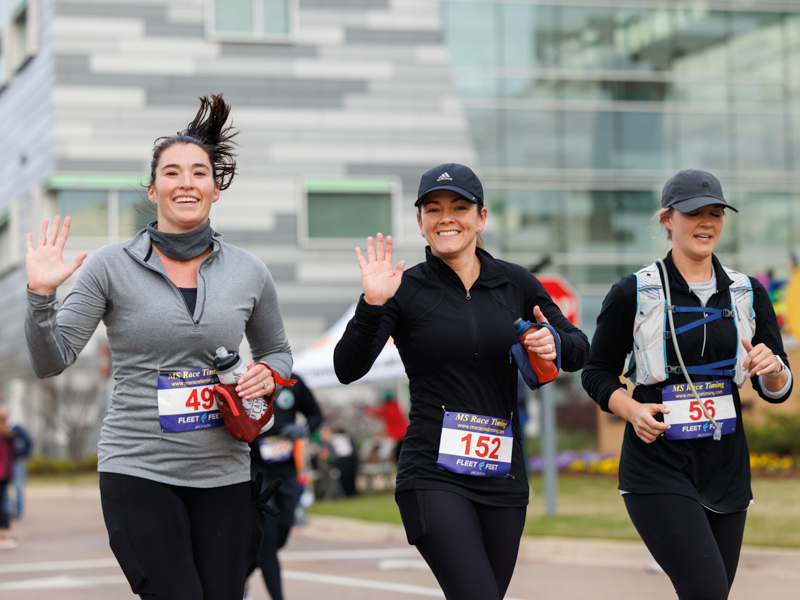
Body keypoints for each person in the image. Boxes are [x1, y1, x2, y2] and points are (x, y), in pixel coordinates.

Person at [24, 94, 294, 600]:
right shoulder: (109, 266)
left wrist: (271, 375)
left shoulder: (250, 271)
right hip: (138, 466)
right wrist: (41, 296)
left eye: (198, 172)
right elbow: (50, 359)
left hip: (225, 472)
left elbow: (278, 352)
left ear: (216, 188)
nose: (185, 182)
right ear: (153, 190)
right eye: (172, 173)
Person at [334, 163, 589, 600]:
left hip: (503, 476)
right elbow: (348, 367)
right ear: (420, 223)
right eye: (433, 209)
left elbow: (579, 346)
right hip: (434, 473)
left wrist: (555, 343)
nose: (446, 217)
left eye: (459, 207)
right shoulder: (404, 289)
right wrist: (373, 304)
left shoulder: (516, 283)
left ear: (481, 217)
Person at [582, 169, 792, 600]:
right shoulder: (633, 292)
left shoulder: (747, 292)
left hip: (726, 466)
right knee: (707, 590)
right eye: (694, 212)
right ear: (667, 219)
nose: (706, 222)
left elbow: (779, 387)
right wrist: (632, 410)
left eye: (715, 213)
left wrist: (772, 368)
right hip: (658, 465)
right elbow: (595, 372)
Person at [247, 372, 322, 600]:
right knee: (268, 539)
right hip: (258, 472)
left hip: (288, 471)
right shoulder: (245, 381)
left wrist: (305, 429)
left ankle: (237, 579)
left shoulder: (294, 382)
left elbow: (316, 414)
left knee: (281, 535)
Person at [365, 391, 408, 464]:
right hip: (404, 431)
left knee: (396, 451)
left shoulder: (386, 408)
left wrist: (367, 409)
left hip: (396, 434)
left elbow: (376, 413)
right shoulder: (397, 405)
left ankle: (398, 463)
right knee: (402, 449)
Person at [3, 417, 32, 520]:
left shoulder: (16, 429)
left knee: (18, 487)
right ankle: (8, 511)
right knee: (4, 488)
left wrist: (24, 455)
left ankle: (17, 512)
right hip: (6, 463)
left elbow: (29, 441)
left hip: (17, 462)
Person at [0, 407, 15, 549]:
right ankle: (6, 531)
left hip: (1, 473)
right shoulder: (8, 433)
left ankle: (5, 532)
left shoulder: (2, 434)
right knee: (4, 502)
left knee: (2, 504)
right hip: (6, 473)